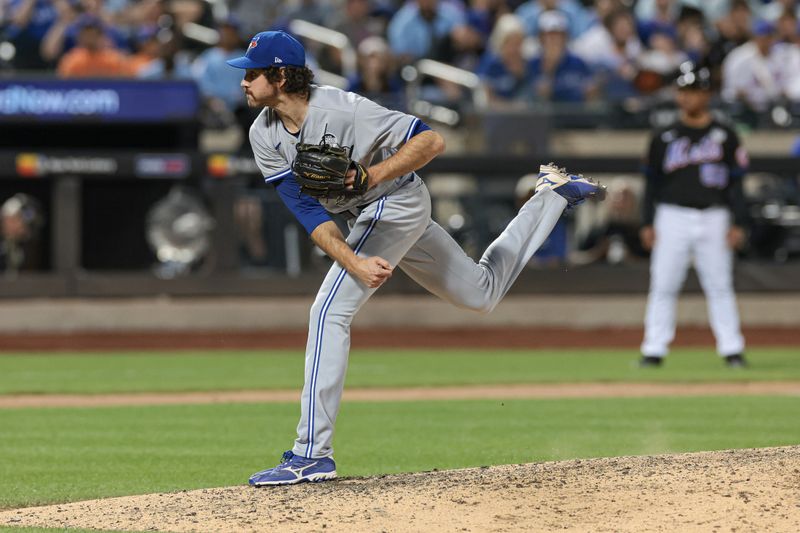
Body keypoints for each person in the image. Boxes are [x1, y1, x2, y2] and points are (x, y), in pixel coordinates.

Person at [227, 30, 605, 486]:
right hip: (365, 217)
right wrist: (354, 261)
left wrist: (373, 174)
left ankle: (311, 453)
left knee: (328, 313)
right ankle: (551, 196)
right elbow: (309, 213)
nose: (244, 82)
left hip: (396, 201)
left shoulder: (343, 109)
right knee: (479, 294)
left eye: (252, 73)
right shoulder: (261, 132)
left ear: (281, 75)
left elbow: (431, 142)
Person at [639, 62, 749, 369]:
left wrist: (739, 221)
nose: (686, 97)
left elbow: (737, 184)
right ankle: (653, 349)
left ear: (707, 94)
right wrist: (647, 221)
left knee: (720, 285)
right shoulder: (663, 137)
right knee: (663, 284)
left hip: (715, 216)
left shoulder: (726, 135)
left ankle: (731, 349)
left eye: (693, 91)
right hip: (671, 215)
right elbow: (651, 183)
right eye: (682, 91)